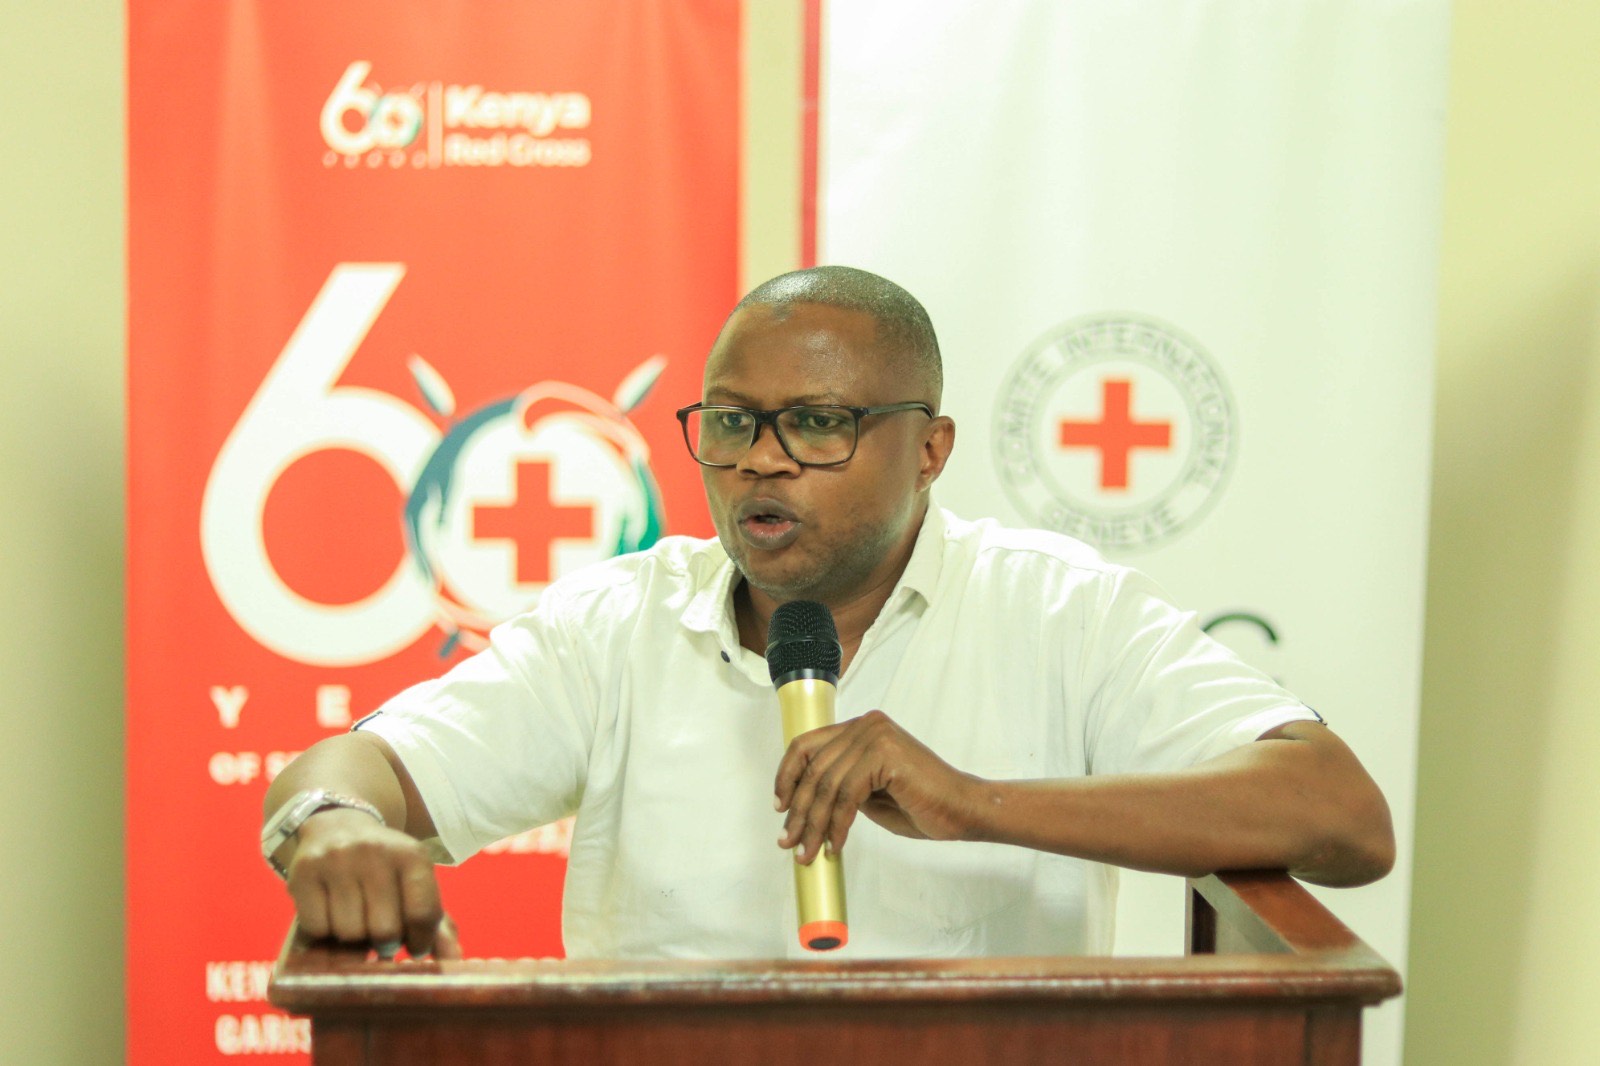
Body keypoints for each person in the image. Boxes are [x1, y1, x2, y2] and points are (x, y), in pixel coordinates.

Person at [260, 266, 1394, 961]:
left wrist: (974, 802)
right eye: (736, 423)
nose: (763, 464)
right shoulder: (619, 622)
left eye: (816, 424)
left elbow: (1339, 816)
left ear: (932, 448)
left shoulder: (1058, 609)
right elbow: (351, 767)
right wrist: (331, 818)